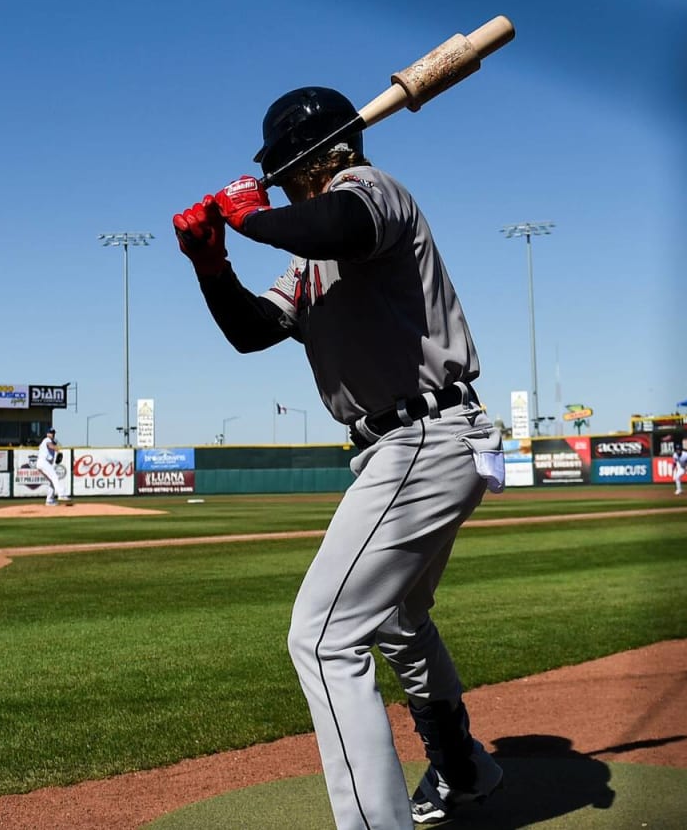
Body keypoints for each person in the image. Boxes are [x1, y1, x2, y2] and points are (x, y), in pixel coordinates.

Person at [171, 85, 505, 829]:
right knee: (396, 622)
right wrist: (211, 265)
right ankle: (462, 768)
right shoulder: (308, 252)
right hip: (416, 443)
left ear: (304, 162)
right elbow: (256, 330)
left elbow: (339, 225)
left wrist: (249, 214)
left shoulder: (369, 191)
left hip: (421, 437)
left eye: (282, 173)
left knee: (322, 638)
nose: (279, 183)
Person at [37, 427, 64, 506]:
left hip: (42, 463)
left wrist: (56, 446)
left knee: (52, 481)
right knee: (54, 476)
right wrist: (58, 450)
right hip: (43, 462)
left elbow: (52, 445)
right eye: (51, 432)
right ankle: (61, 494)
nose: (53, 434)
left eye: (53, 433)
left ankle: (49, 501)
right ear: (47, 433)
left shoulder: (51, 441)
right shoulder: (47, 440)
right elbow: (50, 445)